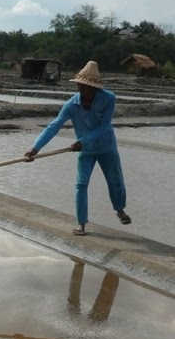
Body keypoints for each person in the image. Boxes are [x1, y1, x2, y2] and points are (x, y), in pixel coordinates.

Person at [26, 60, 130, 235]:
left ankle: (119, 209)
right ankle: (81, 223)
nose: (82, 90)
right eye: (80, 86)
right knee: (81, 184)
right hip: (86, 151)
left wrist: (83, 141)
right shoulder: (71, 105)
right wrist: (36, 148)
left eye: (86, 87)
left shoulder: (109, 98)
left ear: (95, 88)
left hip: (106, 147)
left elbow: (104, 126)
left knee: (116, 181)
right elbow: (54, 126)